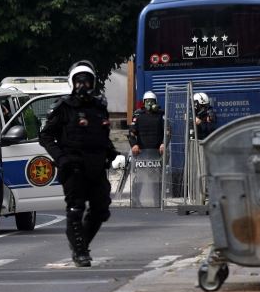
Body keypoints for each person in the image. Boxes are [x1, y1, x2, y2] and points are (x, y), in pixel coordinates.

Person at [39, 61, 118, 267]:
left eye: (87, 80)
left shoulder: (99, 107)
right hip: (74, 166)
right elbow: (46, 136)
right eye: (79, 81)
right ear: (72, 82)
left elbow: (102, 134)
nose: (83, 85)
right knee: (76, 208)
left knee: (101, 209)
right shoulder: (64, 108)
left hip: (97, 166)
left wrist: (110, 150)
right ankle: (81, 252)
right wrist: (61, 158)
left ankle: (80, 244)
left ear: (93, 82)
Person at [129, 91, 165, 156]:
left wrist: (164, 143)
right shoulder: (138, 114)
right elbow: (132, 132)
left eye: (152, 101)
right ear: (144, 102)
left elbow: (167, 131)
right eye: (147, 101)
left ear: (155, 102)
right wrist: (134, 145)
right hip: (141, 151)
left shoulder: (161, 115)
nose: (150, 103)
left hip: (158, 151)